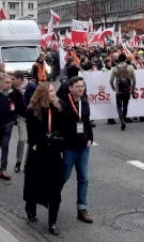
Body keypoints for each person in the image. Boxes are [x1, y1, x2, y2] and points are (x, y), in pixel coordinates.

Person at [23, 83, 65, 236]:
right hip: (38, 153)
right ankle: (30, 206)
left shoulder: (58, 109)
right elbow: (32, 136)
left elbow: (62, 130)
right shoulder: (32, 111)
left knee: (55, 188)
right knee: (34, 183)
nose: (54, 93)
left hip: (54, 153)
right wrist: (46, 138)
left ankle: (52, 222)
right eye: (51, 91)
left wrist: (57, 140)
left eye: (54, 91)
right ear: (43, 93)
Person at [57, 76, 94, 224]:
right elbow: (58, 127)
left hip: (83, 147)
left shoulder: (84, 102)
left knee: (83, 178)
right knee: (63, 177)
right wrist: (59, 147)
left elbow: (86, 121)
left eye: (82, 86)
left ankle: (82, 209)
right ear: (70, 88)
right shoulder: (63, 104)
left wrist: (90, 137)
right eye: (77, 86)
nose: (81, 89)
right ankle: (53, 199)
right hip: (69, 147)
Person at [13, 71, 37, 173]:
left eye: (14, 79)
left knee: (31, 142)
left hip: (32, 119)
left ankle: (27, 163)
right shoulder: (14, 90)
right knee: (22, 139)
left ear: (20, 79)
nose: (12, 81)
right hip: (22, 117)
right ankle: (18, 162)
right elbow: (13, 104)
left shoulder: (31, 87)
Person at [109, 54, 136, 131]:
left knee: (119, 106)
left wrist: (113, 88)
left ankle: (121, 120)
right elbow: (134, 80)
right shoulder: (131, 67)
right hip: (127, 89)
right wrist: (133, 89)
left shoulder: (115, 68)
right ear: (125, 59)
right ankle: (124, 118)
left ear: (119, 59)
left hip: (118, 90)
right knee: (125, 105)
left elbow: (111, 81)